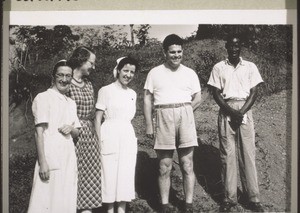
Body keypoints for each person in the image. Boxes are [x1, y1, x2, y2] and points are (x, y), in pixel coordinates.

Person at [207, 34, 265, 212]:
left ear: (240, 47)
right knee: (227, 154)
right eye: (231, 45)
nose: (234, 48)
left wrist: (242, 111)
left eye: (237, 45)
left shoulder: (250, 66)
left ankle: (253, 198)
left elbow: (254, 91)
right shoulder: (219, 67)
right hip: (226, 109)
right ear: (226, 47)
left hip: (245, 109)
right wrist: (231, 111)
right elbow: (216, 92)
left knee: (247, 153)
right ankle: (229, 198)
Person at [144, 34, 202, 213]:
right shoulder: (155, 72)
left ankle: (189, 204)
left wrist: (185, 112)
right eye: (172, 52)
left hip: (185, 113)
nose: (176, 55)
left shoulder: (189, 73)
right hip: (163, 115)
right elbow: (147, 99)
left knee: (187, 164)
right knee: (164, 165)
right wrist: (149, 124)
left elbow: (198, 97)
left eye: (179, 51)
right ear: (165, 53)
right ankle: (164, 205)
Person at [27, 60, 81, 213]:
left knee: (65, 199)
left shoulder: (71, 102)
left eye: (68, 76)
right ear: (53, 76)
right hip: (50, 157)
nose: (64, 79)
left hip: (68, 157)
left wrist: (71, 128)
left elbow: (77, 132)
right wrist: (43, 162)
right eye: (60, 75)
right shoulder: (43, 98)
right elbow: (38, 133)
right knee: (45, 200)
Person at [94, 57, 139, 213]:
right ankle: (109, 210)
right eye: (125, 70)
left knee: (125, 174)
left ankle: (121, 210)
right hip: (109, 133)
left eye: (132, 72)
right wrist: (98, 141)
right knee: (109, 174)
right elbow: (98, 118)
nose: (128, 75)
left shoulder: (133, 93)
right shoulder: (105, 90)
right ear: (118, 70)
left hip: (127, 135)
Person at [67, 46, 102, 212]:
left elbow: (94, 113)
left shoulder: (89, 84)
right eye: (91, 63)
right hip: (71, 136)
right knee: (72, 176)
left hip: (88, 136)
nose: (93, 67)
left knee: (89, 177)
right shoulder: (65, 84)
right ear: (81, 60)